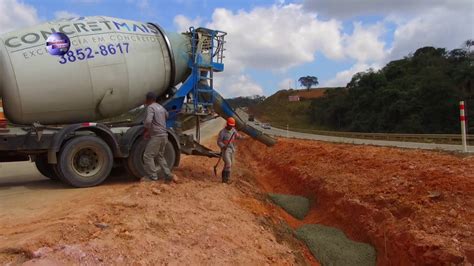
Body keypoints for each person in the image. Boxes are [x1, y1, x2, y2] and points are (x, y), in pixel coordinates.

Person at [143, 92, 173, 182]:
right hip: (164, 135)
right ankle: (168, 174)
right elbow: (167, 115)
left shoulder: (151, 107)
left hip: (157, 136)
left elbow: (148, 121)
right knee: (160, 156)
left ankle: (153, 177)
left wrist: (147, 129)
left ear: (148, 99)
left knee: (147, 156)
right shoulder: (161, 107)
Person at [217, 117, 244, 183]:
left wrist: (243, 137)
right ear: (227, 124)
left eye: (232, 126)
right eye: (230, 125)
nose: (231, 127)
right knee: (228, 163)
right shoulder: (222, 132)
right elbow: (219, 141)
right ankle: (226, 179)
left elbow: (237, 136)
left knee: (229, 164)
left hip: (232, 149)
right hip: (225, 150)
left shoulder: (233, 130)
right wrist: (223, 146)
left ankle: (224, 179)